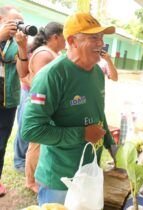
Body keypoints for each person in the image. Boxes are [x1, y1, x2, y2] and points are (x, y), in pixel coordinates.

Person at [21, 12, 116, 205]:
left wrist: (111, 144)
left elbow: (97, 111)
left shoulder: (97, 72)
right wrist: (82, 134)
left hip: (89, 172)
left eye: (102, 38)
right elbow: (31, 130)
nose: (101, 44)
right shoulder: (52, 75)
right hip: (60, 179)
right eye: (94, 38)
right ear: (72, 41)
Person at [18, 22, 65, 193]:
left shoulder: (52, 52)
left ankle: (36, 177)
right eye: (65, 36)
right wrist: (43, 111)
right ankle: (30, 182)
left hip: (49, 104)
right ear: (55, 37)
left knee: (41, 144)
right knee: (36, 144)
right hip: (41, 105)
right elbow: (40, 85)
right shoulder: (44, 54)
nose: (66, 41)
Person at [0, 5, 29, 196]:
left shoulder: (14, 42)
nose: (19, 26)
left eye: (21, 23)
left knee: (1, 143)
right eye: (15, 22)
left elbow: (22, 72)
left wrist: (22, 47)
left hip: (7, 99)